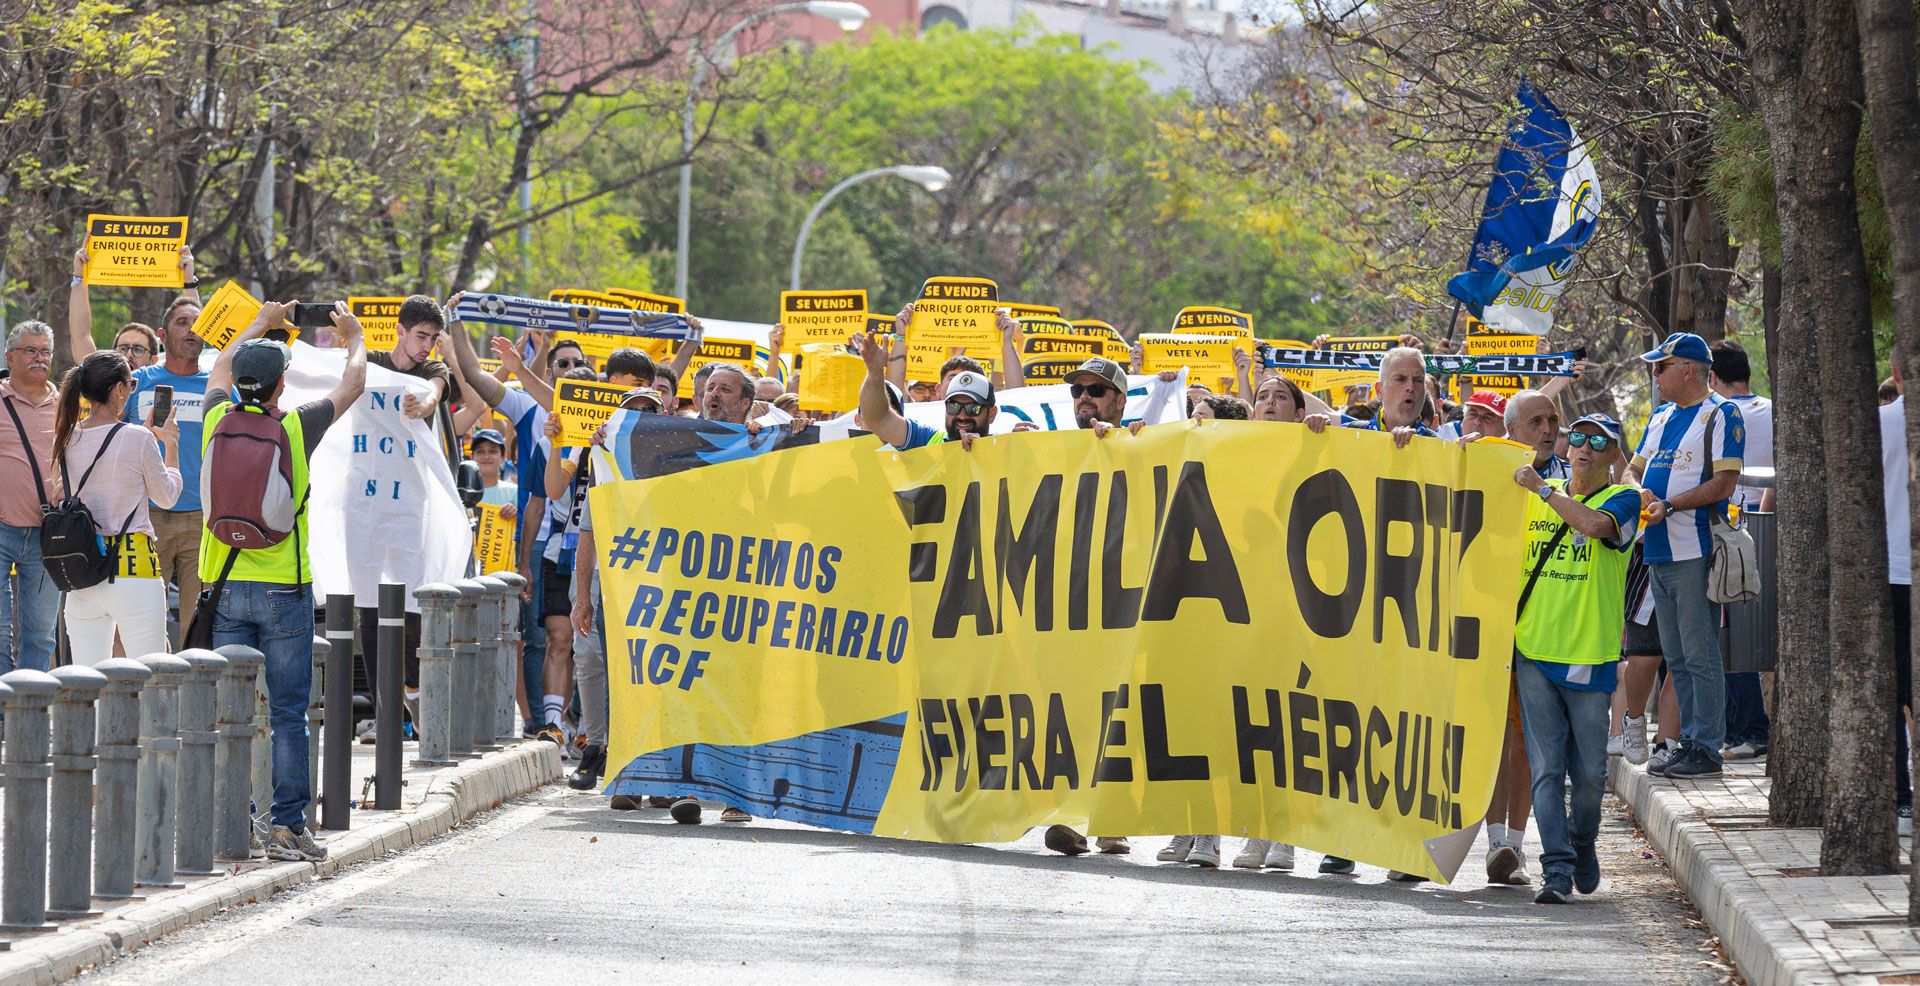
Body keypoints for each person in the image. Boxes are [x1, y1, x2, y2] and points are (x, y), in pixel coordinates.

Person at [202, 300, 368, 862]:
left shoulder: (214, 418)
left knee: (234, 710)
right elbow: (354, 384)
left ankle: (233, 820)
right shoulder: (296, 427)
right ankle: (288, 828)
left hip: (221, 585)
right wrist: (354, 335)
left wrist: (260, 322)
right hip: (282, 585)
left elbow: (220, 368)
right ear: (281, 386)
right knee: (288, 713)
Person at [1512, 413, 1643, 904]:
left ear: (1613, 455)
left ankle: (1583, 842)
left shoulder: (1624, 500)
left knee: (1589, 777)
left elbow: (1592, 525)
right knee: (1546, 771)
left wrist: (1543, 492)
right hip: (1533, 652)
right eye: (1578, 438)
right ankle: (1557, 870)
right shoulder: (1532, 493)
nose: (1584, 448)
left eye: (1599, 442)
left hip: (1590, 655)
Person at [1633, 332, 1744, 779]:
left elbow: (1724, 483)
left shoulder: (1722, 413)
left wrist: (1672, 505)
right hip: (1656, 551)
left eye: (1661, 367)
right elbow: (1633, 466)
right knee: (1676, 656)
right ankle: (1686, 742)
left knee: (1700, 654)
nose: (1655, 375)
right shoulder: (1659, 416)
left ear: (1688, 369)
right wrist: (1636, 488)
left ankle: (1707, 746)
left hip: (1695, 549)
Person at [48, 351, 183, 664]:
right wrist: (170, 445)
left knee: (88, 679)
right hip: (133, 568)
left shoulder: (66, 439)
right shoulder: (138, 438)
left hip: (82, 570)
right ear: (119, 389)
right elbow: (167, 497)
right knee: (152, 675)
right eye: (131, 384)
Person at [126, 294, 211, 647]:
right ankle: (151, 697)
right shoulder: (136, 382)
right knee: (143, 620)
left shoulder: (221, 386)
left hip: (202, 518)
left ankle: (191, 701)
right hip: (147, 517)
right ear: (162, 333)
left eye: (198, 324)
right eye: (182, 323)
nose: (191, 330)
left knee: (198, 625)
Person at [1709, 340, 1772, 761]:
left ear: (1713, 377)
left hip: (1734, 533)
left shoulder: (1717, 414)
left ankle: (1747, 728)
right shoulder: (1773, 409)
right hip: (1774, 530)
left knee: (1731, 632)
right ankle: (1745, 726)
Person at [0, 322, 61, 673]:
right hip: (2, 528)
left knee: (40, 634)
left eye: (45, 351)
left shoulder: (66, 403)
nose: (39, 358)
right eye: (30, 351)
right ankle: (4, 714)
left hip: (48, 534)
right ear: (10, 356)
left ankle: (32, 711)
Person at [855, 331, 996, 449]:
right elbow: (878, 419)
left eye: (973, 408)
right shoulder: (926, 440)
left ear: (991, 413)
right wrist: (874, 373)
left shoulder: (1006, 449)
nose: (962, 416)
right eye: (953, 406)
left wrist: (984, 450)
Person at [67, 242, 197, 370]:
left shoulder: (162, 384)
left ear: (153, 360)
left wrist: (189, 281)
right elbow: (81, 335)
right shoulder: (103, 384)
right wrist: (79, 277)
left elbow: (192, 333)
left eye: (138, 349)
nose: (129, 355)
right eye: (123, 349)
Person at [1884, 356, 1914, 834]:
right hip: (1892, 570)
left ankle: (1902, 801)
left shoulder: (1878, 422)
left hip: (1890, 570)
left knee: (1895, 691)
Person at [1505, 390, 1567, 479]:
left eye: (1552, 420)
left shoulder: (1574, 477)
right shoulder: (1488, 469)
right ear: (1512, 430)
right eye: (1536, 421)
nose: (1548, 429)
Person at [471, 428, 519, 511]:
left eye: (492, 451)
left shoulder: (515, 493)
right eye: (480, 452)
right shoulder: (461, 493)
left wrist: (516, 514)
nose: (486, 457)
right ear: (472, 457)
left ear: (503, 457)